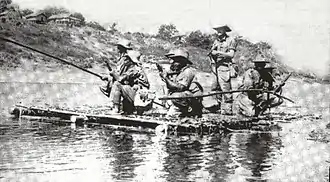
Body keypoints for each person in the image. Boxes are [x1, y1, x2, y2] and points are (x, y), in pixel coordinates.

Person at [101, 50, 150, 115]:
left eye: (127, 59)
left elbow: (120, 79)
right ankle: (118, 107)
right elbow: (126, 81)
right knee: (120, 85)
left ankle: (116, 109)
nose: (125, 61)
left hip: (140, 95)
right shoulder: (134, 68)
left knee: (117, 84)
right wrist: (108, 77)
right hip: (137, 94)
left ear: (131, 60)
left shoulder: (134, 69)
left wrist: (113, 73)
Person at [159, 48, 203, 117]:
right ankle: (174, 110)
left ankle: (184, 112)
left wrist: (166, 78)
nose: (172, 63)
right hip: (184, 97)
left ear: (182, 61)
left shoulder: (188, 71)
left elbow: (180, 88)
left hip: (192, 99)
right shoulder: (178, 72)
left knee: (176, 96)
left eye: (175, 61)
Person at [204, 25, 238, 115]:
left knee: (226, 89)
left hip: (224, 67)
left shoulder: (231, 40)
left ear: (224, 30)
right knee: (215, 88)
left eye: (220, 29)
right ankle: (216, 108)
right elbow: (211, 53)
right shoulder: (216, 41)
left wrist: (218, 52)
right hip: (215, 66)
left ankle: (227, 110)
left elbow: (231, 55)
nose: (218, 31)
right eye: (217, 29)